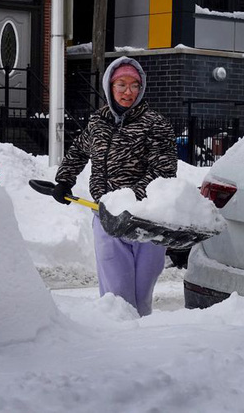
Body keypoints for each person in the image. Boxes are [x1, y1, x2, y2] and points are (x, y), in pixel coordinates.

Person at [52, 56, 177, 316]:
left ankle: (140, 348)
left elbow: (164, 171)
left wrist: (128, 199)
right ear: (110, 86)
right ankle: (116, 344)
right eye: (121, 84)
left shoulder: (156, 124)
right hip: (107, 217)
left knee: (140, 301)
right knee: (116, 298)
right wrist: (65, 179)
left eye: (134, 85)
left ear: (141, 88)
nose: (128, 92)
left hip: (146, 220)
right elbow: (78, 151)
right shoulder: (98, 121)